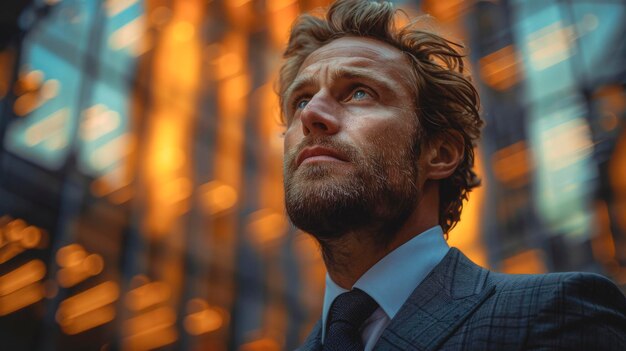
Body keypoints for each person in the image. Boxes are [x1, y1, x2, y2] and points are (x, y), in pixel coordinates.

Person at [278, 0, 626, 350]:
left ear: (440, 154)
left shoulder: (558, 314)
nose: (311, 115)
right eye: (302, 101)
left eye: (359, 92)